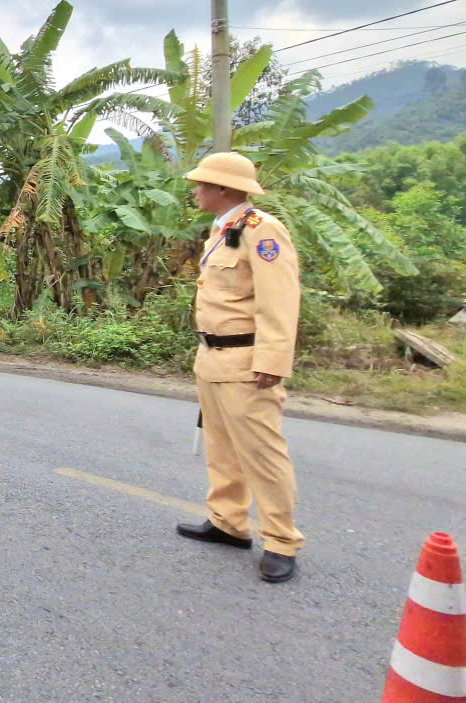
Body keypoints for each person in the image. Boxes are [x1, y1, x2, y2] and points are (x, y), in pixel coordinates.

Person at [176, 151, 304, 584]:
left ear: (225, 189)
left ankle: (281, 541)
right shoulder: (221, 229)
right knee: (221, 448)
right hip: (212, 357)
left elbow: (280, 301)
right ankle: (229, 522)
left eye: (201, 184)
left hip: (247, 361)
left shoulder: (262, 231)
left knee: (262, 454)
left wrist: (272, 361)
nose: (195, 190)